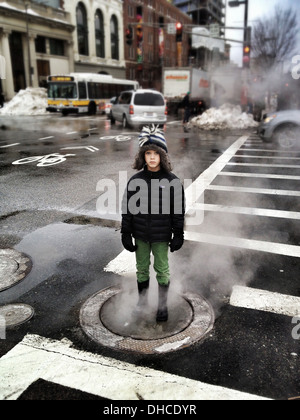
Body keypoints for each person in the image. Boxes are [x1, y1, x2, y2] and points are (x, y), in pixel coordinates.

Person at [121, 125, 185, 323]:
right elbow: (128, 209)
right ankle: (141, 302)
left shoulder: (172, 181)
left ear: (162, 156)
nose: (151, 157)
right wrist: (125, 232)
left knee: (162, 269)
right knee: (141, 269)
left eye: (155, 153)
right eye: (147, 153)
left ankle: (162, 305)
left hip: (161, 236)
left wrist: (178, 234)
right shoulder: (135, 180)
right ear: (142, 156)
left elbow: (178, 210)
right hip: (140, 235)